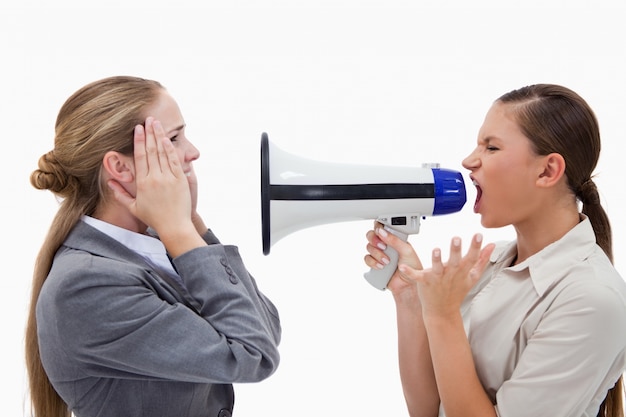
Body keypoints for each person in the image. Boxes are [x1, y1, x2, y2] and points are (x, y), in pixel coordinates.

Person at [25, 75, 281, 417]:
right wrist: (180, 230)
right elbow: (253, 354)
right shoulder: (84, 286)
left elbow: (264, 328)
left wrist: (191, 225)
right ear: (119, 166)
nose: (193, 152)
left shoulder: (157, 244)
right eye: (174, 138)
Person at [364, 84, 626, 417]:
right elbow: (429, 410)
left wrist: (443, 316)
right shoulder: (491, 263)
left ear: (547, 171)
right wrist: (411, 298)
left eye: (491, 147)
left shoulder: (591, 300)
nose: (468, 160)